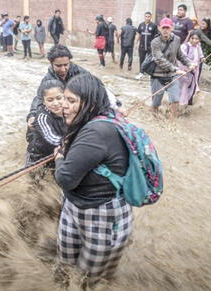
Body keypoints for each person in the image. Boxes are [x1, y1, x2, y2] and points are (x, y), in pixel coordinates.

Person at [54, 73, 132, 284]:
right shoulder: (99, 118)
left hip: (103, 215)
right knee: (65, 267)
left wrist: (58, 157)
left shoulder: (96, 132)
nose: (64, 106)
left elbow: (65, 178)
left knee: (89, 279)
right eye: (64, 99)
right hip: (75, 207)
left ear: (89, 104)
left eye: (71, 101)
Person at [150, 17, 196, 123]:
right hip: (158, 74)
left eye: (168, 28)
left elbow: (180, 55)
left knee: (175, 100)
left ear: (172, 28)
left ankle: (171, 124)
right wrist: (175, 69)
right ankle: (154, 122)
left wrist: (189, 64)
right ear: (159, 28)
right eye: (163, 28)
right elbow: (159, 59)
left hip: (172, 75)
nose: (165, 30)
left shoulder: (177, 39)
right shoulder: (155, 42)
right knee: (156, 103)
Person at [26, 80, 65, 184]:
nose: (56, 103)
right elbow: (51, 137)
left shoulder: (68, 111)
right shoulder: (42, 117)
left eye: (59, 98)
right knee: (35, 184)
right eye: (50, 100)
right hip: (38, 157)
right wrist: (72, 144)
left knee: (58, 182)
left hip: (57, 155)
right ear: (43, 102)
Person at [178, 32, 203, 106]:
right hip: (184, 71)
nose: (194, 40)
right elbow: (182, 58)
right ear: (189, 38)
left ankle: (187, 103)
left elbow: (200, 54)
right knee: (182, 87)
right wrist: (188, 66)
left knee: (192, 86)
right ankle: (180, 103)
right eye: (193, 38)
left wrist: (202, 58)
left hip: (194, 71)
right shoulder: (184, 46)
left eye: (196, 39)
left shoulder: (198, 46)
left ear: (199, 40)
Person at [135, 12, 158, 80]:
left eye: (148, 16)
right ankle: (141, 72)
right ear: (144, 17)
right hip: (142, 46)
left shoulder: (154, 25)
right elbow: (138, 34)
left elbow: (156, 36)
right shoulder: (141, 25)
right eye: (146, 16)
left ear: (151, 17)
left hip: (150, 46)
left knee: (150, 60)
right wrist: (136, 43)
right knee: (141, 59)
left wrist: (155, 45)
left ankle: (150, 73)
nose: (147, 18)